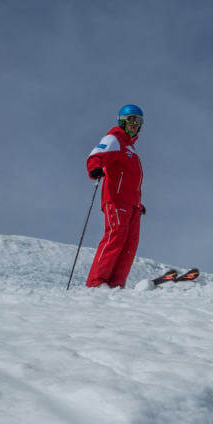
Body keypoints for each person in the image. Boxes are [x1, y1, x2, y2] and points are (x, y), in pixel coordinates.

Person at [84, 104, 146, 288]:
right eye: (131, 120)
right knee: (115, 236)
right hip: (116, 200)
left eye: (138, 121)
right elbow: (96, 155)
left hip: (131, 204)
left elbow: (130, 180)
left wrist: (138, 203)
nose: (134, 124)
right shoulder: (114, 138)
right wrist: (94, 168)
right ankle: (96, 282)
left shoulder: (131, 150)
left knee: (129, 245)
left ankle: (115, 285)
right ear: (122, 121)